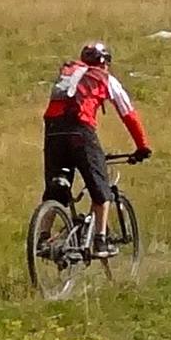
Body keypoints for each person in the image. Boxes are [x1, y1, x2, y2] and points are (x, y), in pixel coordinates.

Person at [42, 41, 151, 258]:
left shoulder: (68, 74)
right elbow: (128, 114)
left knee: (57, 188)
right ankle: (101, 240)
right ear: (105, 63)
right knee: (101, 189)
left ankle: (43, 237)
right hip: (80, 131)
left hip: (53, 132)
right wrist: (142, 146)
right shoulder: (105, 78)